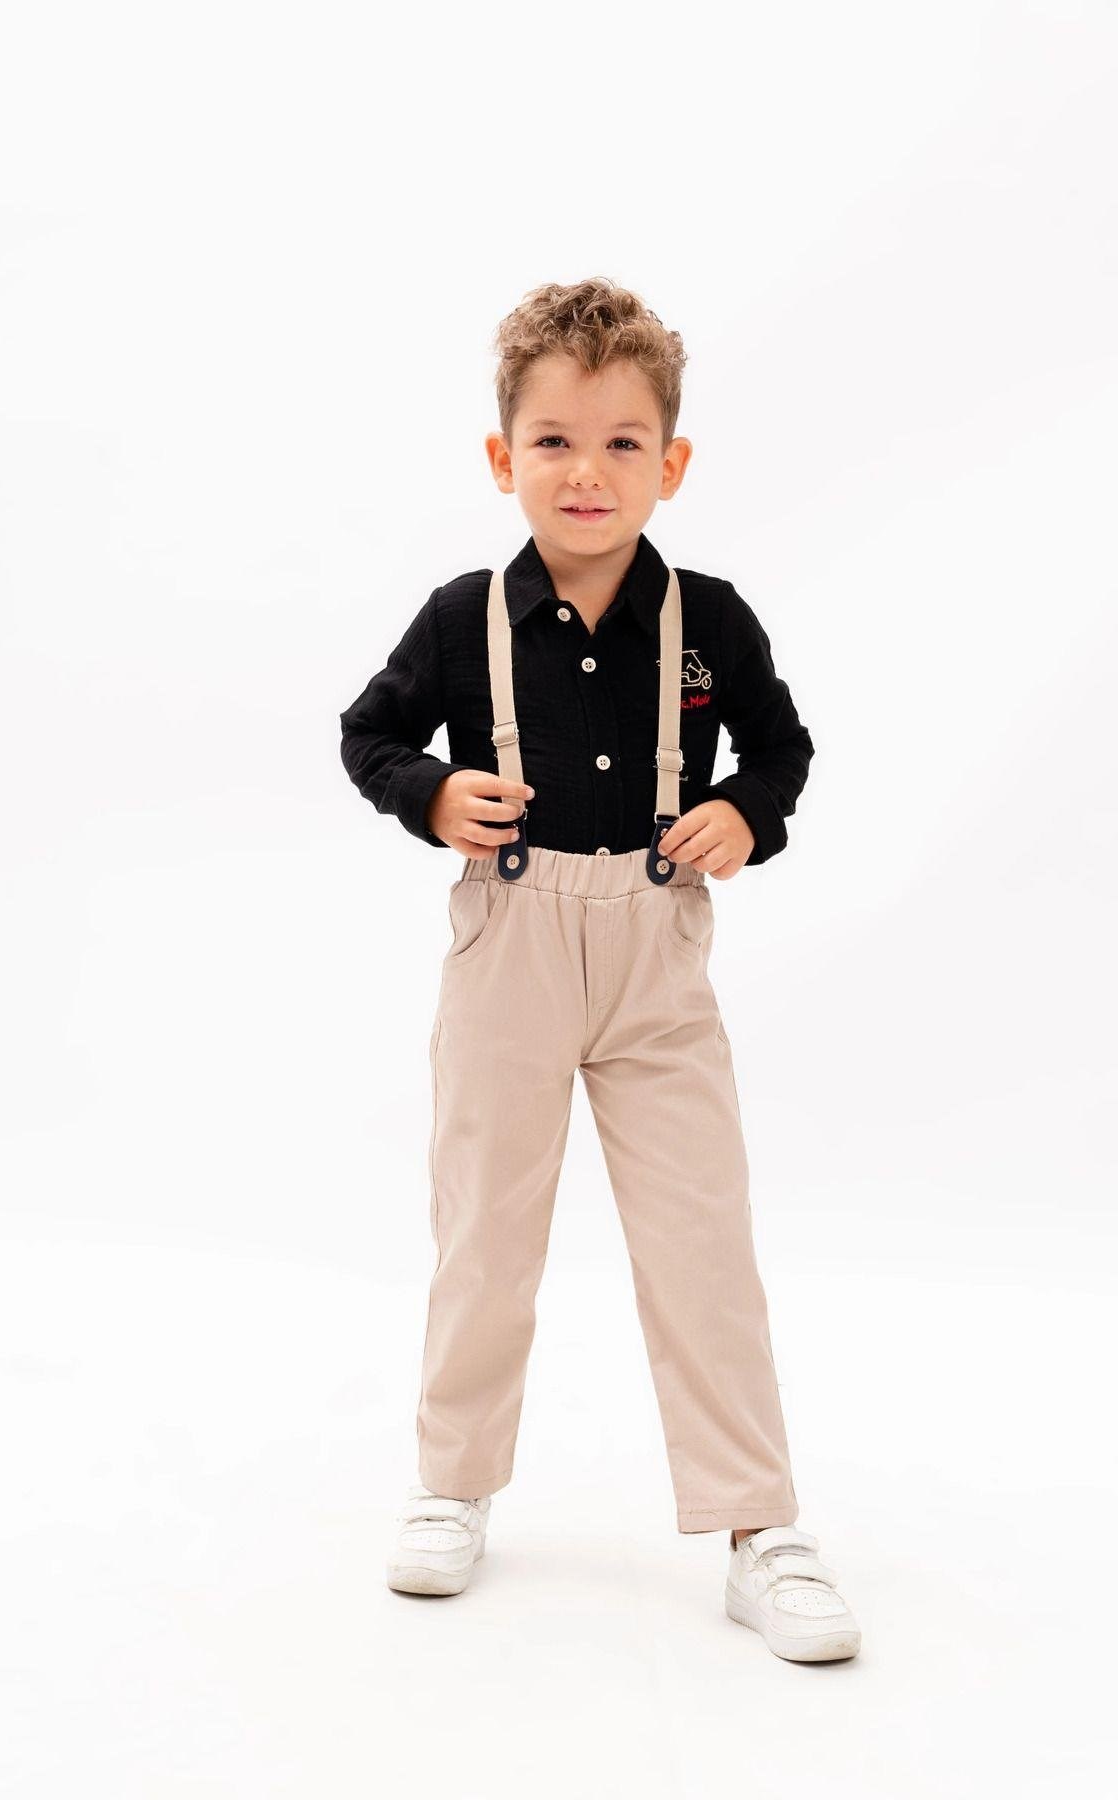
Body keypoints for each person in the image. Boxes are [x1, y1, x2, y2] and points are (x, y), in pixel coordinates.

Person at [338, 277, 861, 1662]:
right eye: (555, 441)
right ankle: (452, 1483)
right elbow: (368, 734)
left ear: (670, 463)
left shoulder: (712, 621)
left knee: (702, 1236)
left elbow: (783, 749)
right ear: (502, 457)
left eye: (623, 442)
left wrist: (746, 812)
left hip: (656, 959)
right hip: (508, 951)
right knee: (485, 1230)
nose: (588, 471)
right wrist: (431, 792)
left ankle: (759, 1525)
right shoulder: (462, 618)